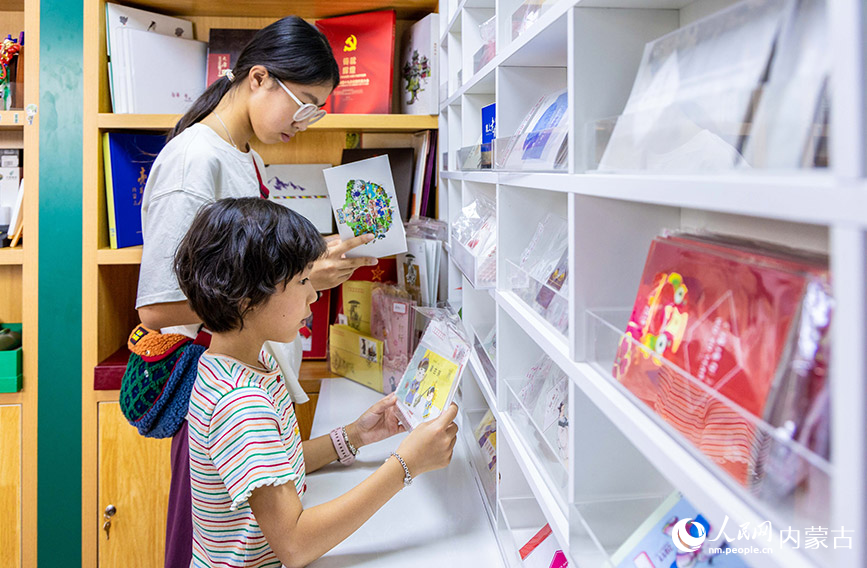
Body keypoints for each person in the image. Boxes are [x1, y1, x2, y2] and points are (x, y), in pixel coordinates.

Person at [133, 16, 377, 567]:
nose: (309, 121)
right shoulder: (196, 160)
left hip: (247, 376)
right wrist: (299, 277)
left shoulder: (243, 154)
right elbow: (156, 305)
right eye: (306, 103)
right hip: (214, 386)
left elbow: (243, 261)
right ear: (260, 79)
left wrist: (307, 262)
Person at [175, 198, 459, 567]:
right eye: (302, 280)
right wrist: (406, 464)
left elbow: (277, 464)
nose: (314, 293)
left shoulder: (241, 364)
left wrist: (354, 436)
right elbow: (294, 545)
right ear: (247, 299)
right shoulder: (241, 404)